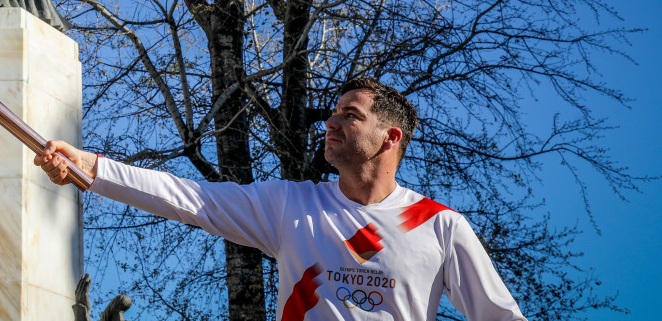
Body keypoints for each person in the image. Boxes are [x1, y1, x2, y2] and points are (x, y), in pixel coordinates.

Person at [36, 78, 527, 321]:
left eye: (351, 115)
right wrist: (92, 167)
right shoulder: (293, 206)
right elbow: (190, 198)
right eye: (334, 112)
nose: (332, 122)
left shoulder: (439, 226)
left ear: (389, 137)